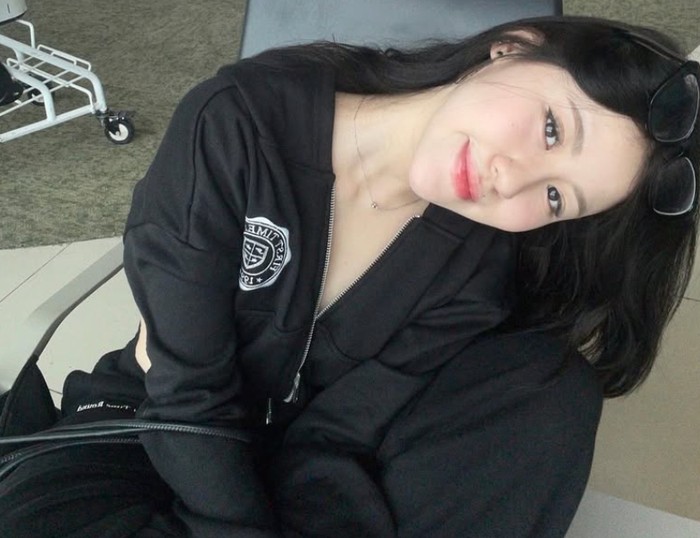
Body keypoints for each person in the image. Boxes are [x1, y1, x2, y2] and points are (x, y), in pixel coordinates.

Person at [1, 14, 698, 538]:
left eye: (554, 197)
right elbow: (186, 397)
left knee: (556, 395)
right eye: (551, 130)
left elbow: (340, 430)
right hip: (137, 433)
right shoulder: (239, 122)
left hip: (296, 459)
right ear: (511, 46)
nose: (509, 180)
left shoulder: (477, 263)